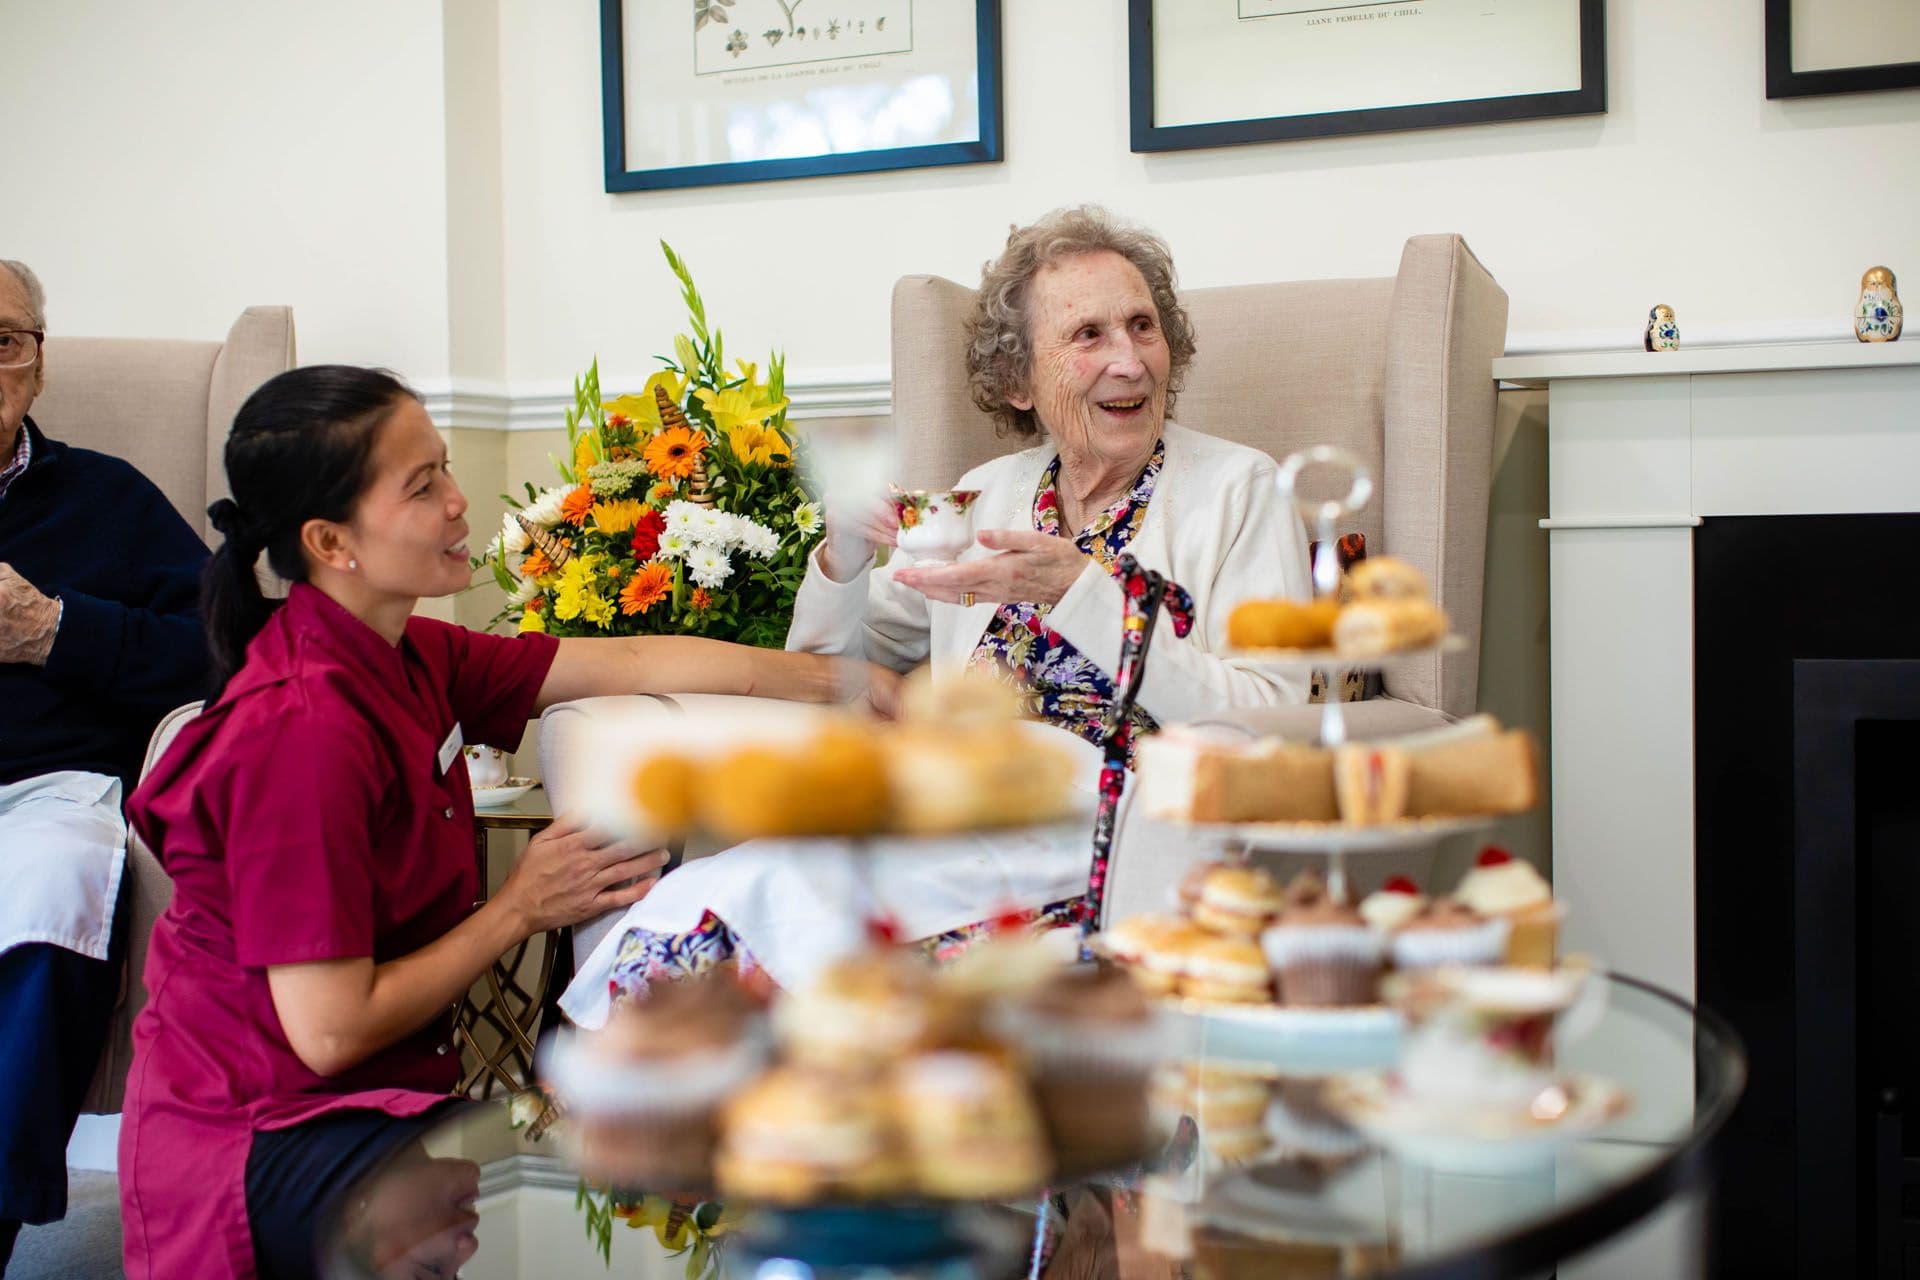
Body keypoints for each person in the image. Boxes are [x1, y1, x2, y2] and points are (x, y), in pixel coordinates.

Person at [116, 365, 898, 1280]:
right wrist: (521, 906)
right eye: (422, 486)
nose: (458, 503)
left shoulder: (408, 652)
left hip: (388, 1097)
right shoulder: (303, 733)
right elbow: (326, 1032)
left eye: (444, 468)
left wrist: (846, 682)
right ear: (332, 541)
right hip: (265, 1134)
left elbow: (633, 655)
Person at [567, 206, 1311, 1008]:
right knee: (743, 890)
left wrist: (1081, 594)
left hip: (1110, 835)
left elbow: (1270, 719)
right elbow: (833, 667)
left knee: (803, 913)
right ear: (1018, 380)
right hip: (960, 819)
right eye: (1088, 336)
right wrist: (844, 556)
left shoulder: (1241, 490)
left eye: (1142, 326)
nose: (1129, 361)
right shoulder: (990, 493)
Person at [0, 259, 211, 1271]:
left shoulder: (108, 498)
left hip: (47, 790)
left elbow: (228, 653)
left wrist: (53, 629)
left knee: (53, 884)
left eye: (5, 340)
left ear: (39, 362)